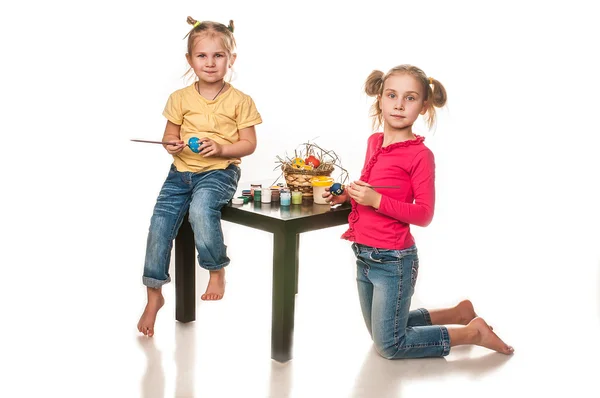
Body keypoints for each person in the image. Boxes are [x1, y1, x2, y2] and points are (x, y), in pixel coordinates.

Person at [323, 64, 513, 358]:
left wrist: (375, 200)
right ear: (380, 100)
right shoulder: (374, 142)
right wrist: (349, 196)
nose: (399, 104)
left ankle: (472, 332)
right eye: (392, 95)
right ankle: (458, 312)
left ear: (424, 106)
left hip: (393, 260)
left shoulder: (420, 155)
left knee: (389, 345)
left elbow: (423, 214)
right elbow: (376, 188)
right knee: (380, 334)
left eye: (410, 98)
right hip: (364, 255)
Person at [137, 17, 262, 337]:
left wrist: (221, 147)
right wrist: (171, 144)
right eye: (202, 56)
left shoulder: (240, 100)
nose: (210, 62)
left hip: (219, 172)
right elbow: (168, 138)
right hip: (179, 174)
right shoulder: (180, 98)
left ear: (231, 59)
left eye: (218, 55)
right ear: (190, 60)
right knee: (159, 225)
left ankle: (216, 268)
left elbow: (248, 144)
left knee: (200, 211)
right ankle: (154, 295)